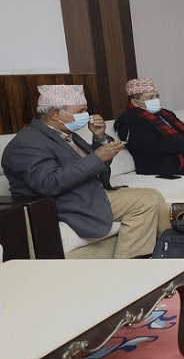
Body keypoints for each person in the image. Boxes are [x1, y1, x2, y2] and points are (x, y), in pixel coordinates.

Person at [1, 85, 170, 259]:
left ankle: (170, 248)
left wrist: (99, 138)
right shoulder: (28, 142)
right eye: (80, 111)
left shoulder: (64, 133)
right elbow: (48, 183)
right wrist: (97, 157)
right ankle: (129, 265)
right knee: (145, 201)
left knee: (154, 195)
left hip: (85, 192)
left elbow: (93, 165)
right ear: (55, 114)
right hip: (66, 202)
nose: (87, 116)